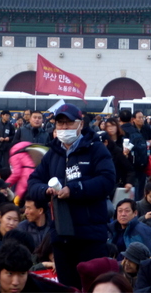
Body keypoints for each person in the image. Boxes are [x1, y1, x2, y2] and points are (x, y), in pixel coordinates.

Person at [27, 103, 116, 289]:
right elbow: (33, 183)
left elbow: (107, 181)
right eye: (60, 124)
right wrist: (45, 190)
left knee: (94, 287)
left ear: (80, 124)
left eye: (68, 123)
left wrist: (74, 190)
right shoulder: (53, 154)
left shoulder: (96, 149)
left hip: (90, 236)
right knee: (67, 288)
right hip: (61, 236)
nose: (64, 128)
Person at [120, 109, 149, 201]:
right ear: (132, 119)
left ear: (119, 119)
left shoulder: (119, 132)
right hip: (139, 166)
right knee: (138, 192)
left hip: (125, 168)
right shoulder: (136, 132)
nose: (142, 119)